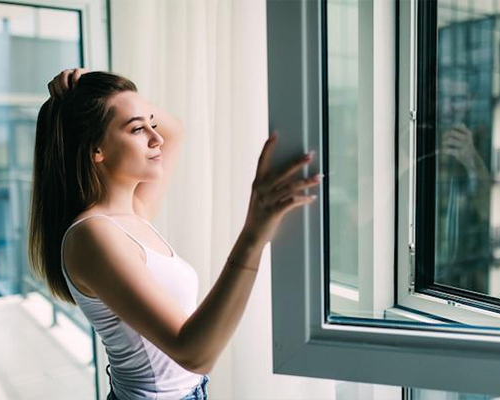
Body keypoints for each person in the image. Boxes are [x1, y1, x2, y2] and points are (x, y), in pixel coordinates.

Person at [28, 69, 322, 400]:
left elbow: (174, 130)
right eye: (138, 129)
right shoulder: (93, 235)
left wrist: (97, 82)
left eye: (151, 123)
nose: (157, 139)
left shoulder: (132, 214)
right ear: (97, 149)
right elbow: (194, 353)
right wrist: (253, 233)